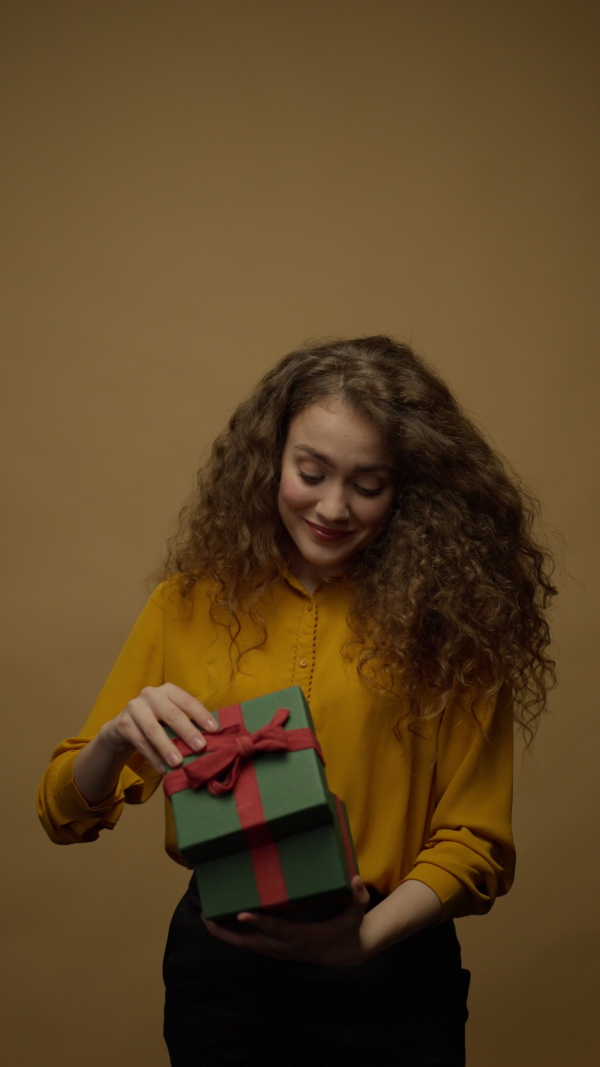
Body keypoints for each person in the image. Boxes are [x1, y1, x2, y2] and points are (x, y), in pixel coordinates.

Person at [37, 335, 556, 1066]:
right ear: (270, 460)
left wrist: (361, 941)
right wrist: (115, 737)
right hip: (219, 973)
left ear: (410, 486)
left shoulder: (454, 625)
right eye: (310, 472)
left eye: (368, 483)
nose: (333, 507)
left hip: (391, 968)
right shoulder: (188, 601)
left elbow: (477, 845)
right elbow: (62, 810)